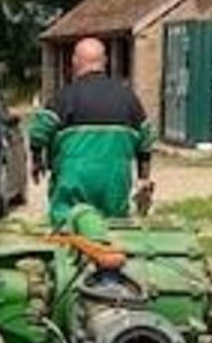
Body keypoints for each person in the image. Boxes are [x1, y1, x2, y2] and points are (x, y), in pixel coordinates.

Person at [29, 36, 154, 225]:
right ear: (105, 62)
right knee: (112, 231)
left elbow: (39, 132)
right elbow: (146, 141)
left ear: (74, 62)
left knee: (68, 229)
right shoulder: (129, 99)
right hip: (114, 185)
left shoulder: (63, 98)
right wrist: (144, 180)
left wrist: (37, 159)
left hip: (72, 182)